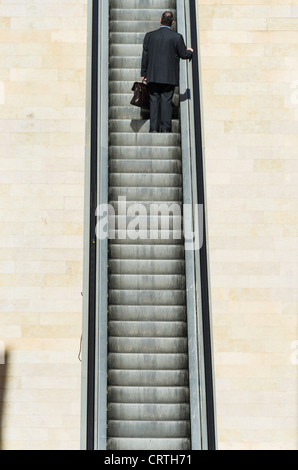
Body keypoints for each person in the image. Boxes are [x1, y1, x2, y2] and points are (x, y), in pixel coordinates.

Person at [141, 11, 193, 133]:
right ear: (172, 22)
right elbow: (184, 54)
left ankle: (153, 128)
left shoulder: (149, 36)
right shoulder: (176, 37)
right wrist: (190, 51)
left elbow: (145, 56)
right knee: (166, 101)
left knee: (153, 101)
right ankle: (165, 128)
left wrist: (144, 73)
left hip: (152, 75)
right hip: (169, 77)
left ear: (160, 20)